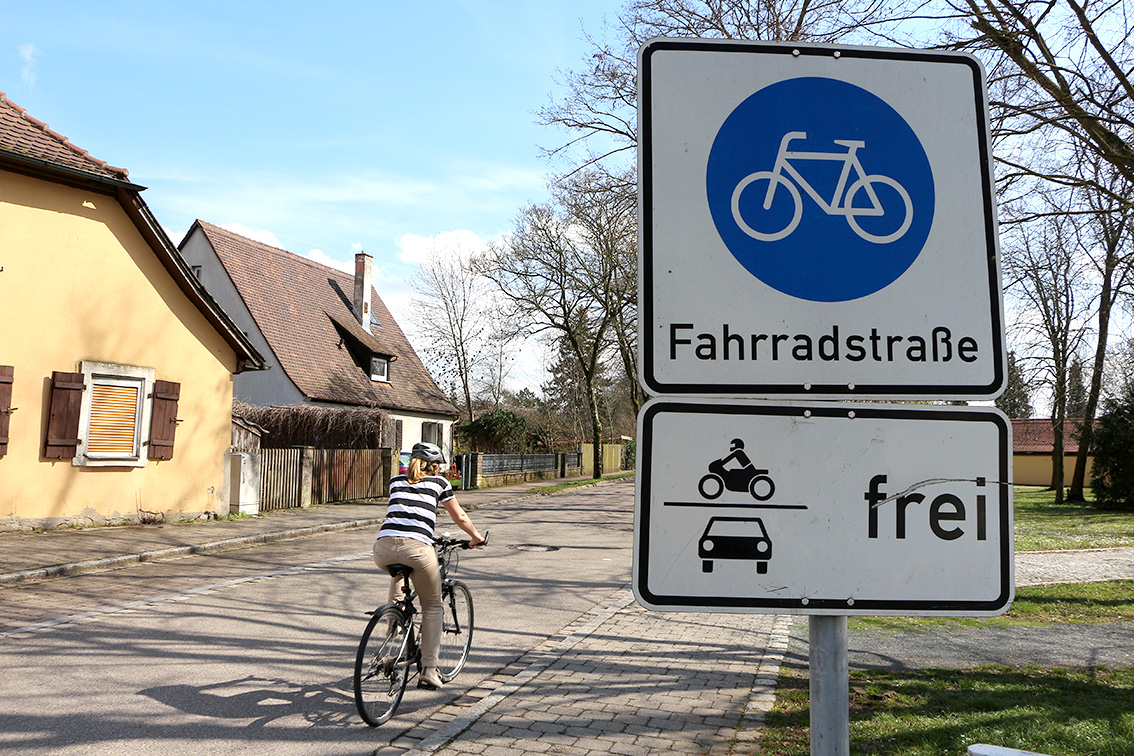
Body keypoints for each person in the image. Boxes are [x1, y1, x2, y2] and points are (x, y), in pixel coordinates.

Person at [372, 442, 485, 690]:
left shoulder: (395, 481)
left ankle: (395, 621)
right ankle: (429, 670)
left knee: (399, 571)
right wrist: (476, 537)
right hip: (417, 549)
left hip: (382, 549)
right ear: (434, 466)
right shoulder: (439, 483)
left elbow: (404, 512)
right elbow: (460, 517)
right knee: (433, 607)